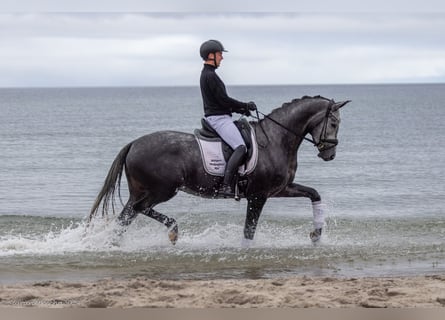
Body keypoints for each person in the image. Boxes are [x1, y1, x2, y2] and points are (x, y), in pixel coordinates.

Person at [199, 39, 257, 198]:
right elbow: (224, 100)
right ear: (211, 55)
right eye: (219, 54)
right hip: (218, 119)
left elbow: (222, 101)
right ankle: (226, 185)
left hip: (219, 116)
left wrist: (241, 109)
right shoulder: (210, 76)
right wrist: (244, 106)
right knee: (241, 147)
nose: (222, 58)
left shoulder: (209, 74)